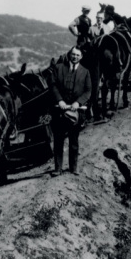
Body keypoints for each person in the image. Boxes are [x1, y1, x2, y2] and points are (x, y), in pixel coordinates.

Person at [49, 46, 92, 176]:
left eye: (78, 55)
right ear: (69, 55)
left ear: (81, 57)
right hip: (60, 111)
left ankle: (73, 168)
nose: (75, 57)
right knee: (58, 139)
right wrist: (59, 100)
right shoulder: (59, 68)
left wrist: (78, 103)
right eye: (73, 54)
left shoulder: (85, 72)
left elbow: (88, 91)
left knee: (74, 140)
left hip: (76, 112)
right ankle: (58, 168)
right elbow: (53, 85)